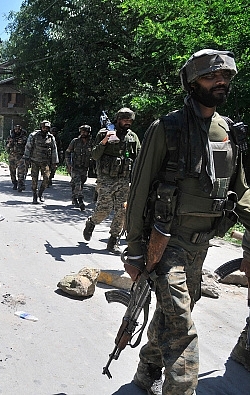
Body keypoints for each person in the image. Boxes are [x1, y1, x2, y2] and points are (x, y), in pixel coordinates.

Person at [124, 49, 250, 395]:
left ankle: (147, 369)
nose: (220, 82)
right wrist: (134, 252)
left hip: (202, 245)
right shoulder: (167, 128)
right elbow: (138, 193)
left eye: (225, 77)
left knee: (171, 315)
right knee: (182, 330)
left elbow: (242, 191)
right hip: (166, 244)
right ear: (193, 83)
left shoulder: (229, 131)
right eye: (211, 77)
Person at [83, 108, 140, 253]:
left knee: (122, 211)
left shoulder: (132, 137)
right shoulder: (104, 133)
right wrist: (105, 140)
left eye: (130, 120)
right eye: (125, 120)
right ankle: (91, 222)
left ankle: (113, 240)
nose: (127, 123)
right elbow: (95, 155)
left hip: (124, 179)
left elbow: (139, 158)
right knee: (104, 209)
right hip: (106, 179)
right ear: (118, 119)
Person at [23, 120, 59, 204]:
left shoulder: (51, 137)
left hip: (45, 162)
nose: (45, 129)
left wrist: (55, 162)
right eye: (43, 127)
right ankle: (34, 196)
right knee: (34, 180)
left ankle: (40, 193)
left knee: (46, 178)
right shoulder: (34, 135)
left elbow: (54, 150)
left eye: (47, 128)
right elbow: (28, 147)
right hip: (35, 161)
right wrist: (26, 158)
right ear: (41, 127)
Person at [65, 125, 93, 210]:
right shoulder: (75, 141)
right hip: (75, 167)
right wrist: (69, 164)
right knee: (78, 183)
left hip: (85, 167)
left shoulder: (91, 143)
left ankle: (74, 197)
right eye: (82, 131)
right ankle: (80, 200)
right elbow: (67, 152)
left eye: (85, 131)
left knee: (81, 183)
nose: (83, 133)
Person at [6, 124, 29, 190]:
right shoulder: (10, 137)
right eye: (16, 129)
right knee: (12, 172)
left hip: (21, 157)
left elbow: (28, 147)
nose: (17, 131)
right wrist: (10, 143)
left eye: (18, 129)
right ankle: (14, 183)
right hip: (12, 156)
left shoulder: (24, 138)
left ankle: (21, 185)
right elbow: (6, 148)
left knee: (21, 172)